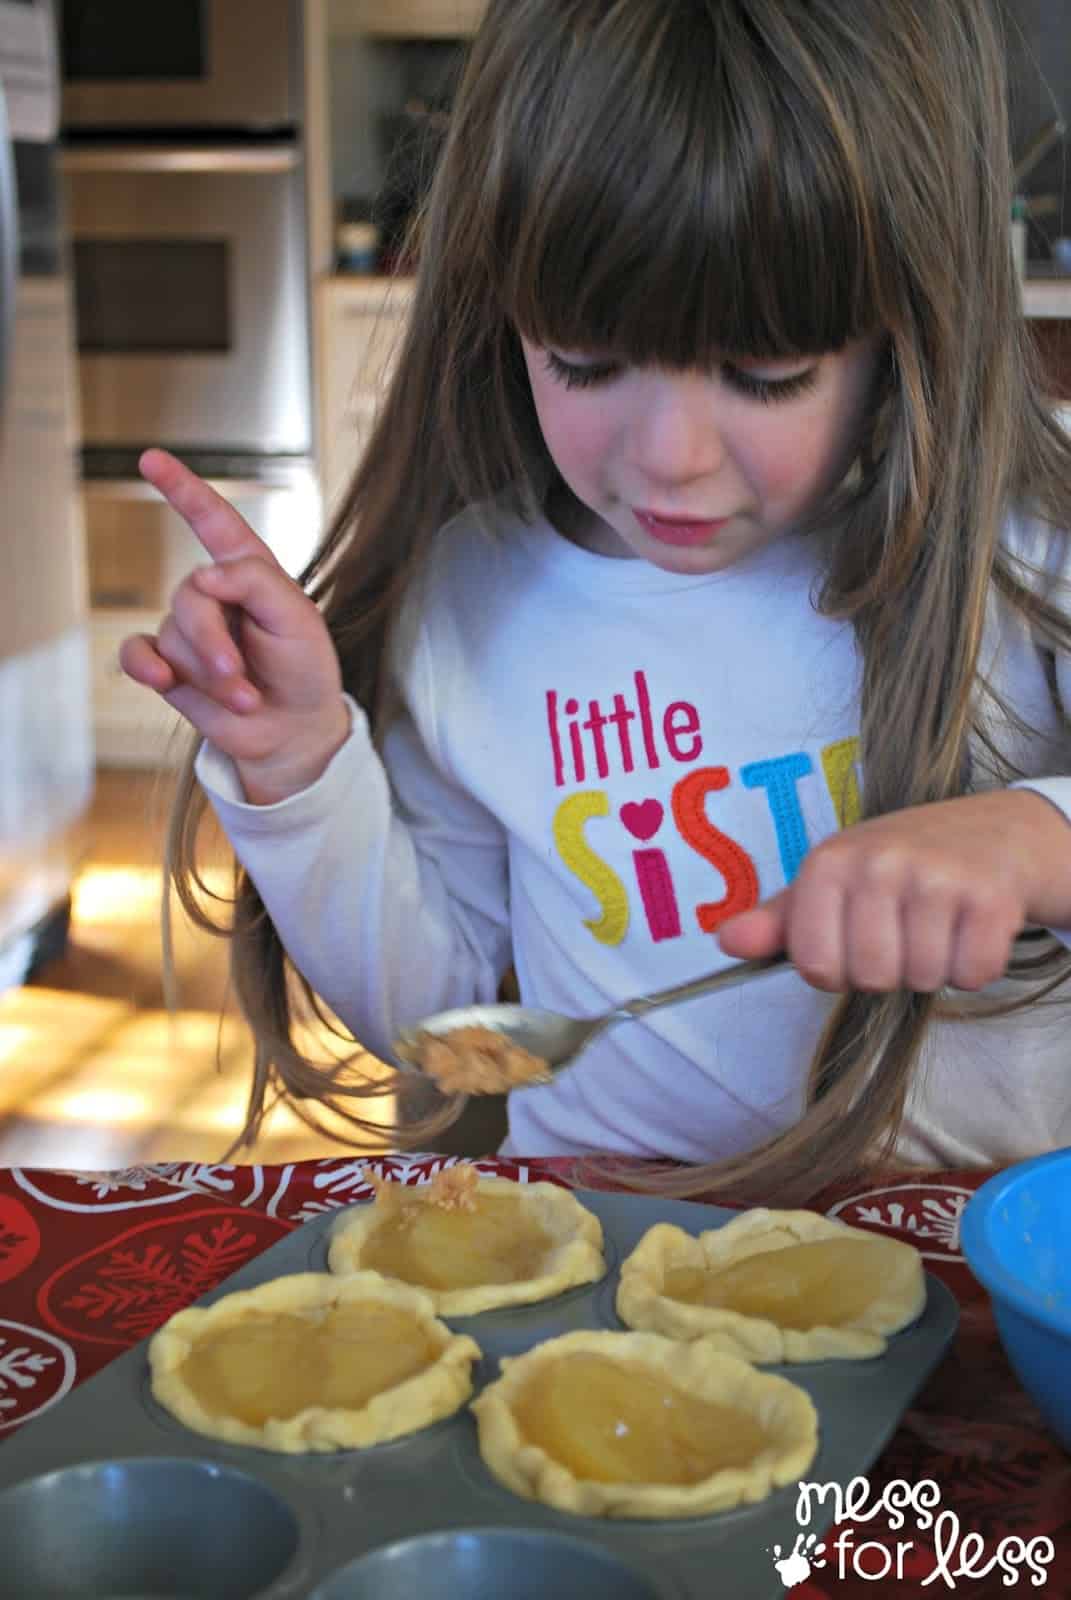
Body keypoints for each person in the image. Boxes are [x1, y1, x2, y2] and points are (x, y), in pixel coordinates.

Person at [120, 0, 1071, 1204]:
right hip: (605, 1256)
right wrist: (298, 764)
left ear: (903, 330)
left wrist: (1037, 840)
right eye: (584, 361)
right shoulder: (473, 601)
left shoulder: (1026, 552)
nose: (669, 456)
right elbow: (450, 1030)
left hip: (958, 1258)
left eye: (764, 375)